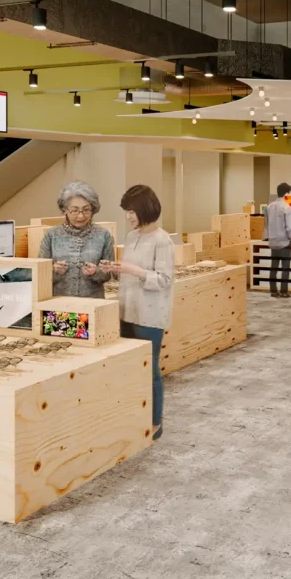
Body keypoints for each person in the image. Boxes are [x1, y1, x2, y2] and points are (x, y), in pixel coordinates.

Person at [107, 184, 173, 441]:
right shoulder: (132, 236)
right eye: (127, 211)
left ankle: (155, 422)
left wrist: (132, 270)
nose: (128, 216)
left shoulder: (162, 240)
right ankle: (134, 418)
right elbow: (128, 273)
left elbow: (164, 279)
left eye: (132, 211)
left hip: (150, 317)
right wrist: (113, 269)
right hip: (127, 312)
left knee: (150, 371)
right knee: (130, 370)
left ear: (145, 209)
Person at [38, 180, 115, 298]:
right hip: (58, 303)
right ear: (64, 210)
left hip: (93, 304)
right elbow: (39, 274)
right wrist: (54, 271)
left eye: (86, 210)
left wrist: (96, 272)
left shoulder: (103, 235)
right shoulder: (52, 235)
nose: (81, 216)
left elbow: (109, 274)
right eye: (74, 210)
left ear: (93, 209)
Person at [265, 182, 291, 298]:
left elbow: (267, 224)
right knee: (285, 268)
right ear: (286, 193)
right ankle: (284, 291)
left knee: (274, 267)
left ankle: (273, 290)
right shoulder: (286, 207)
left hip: (273, 241)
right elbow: (289, 227)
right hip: (284, 242)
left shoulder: (269, 207)